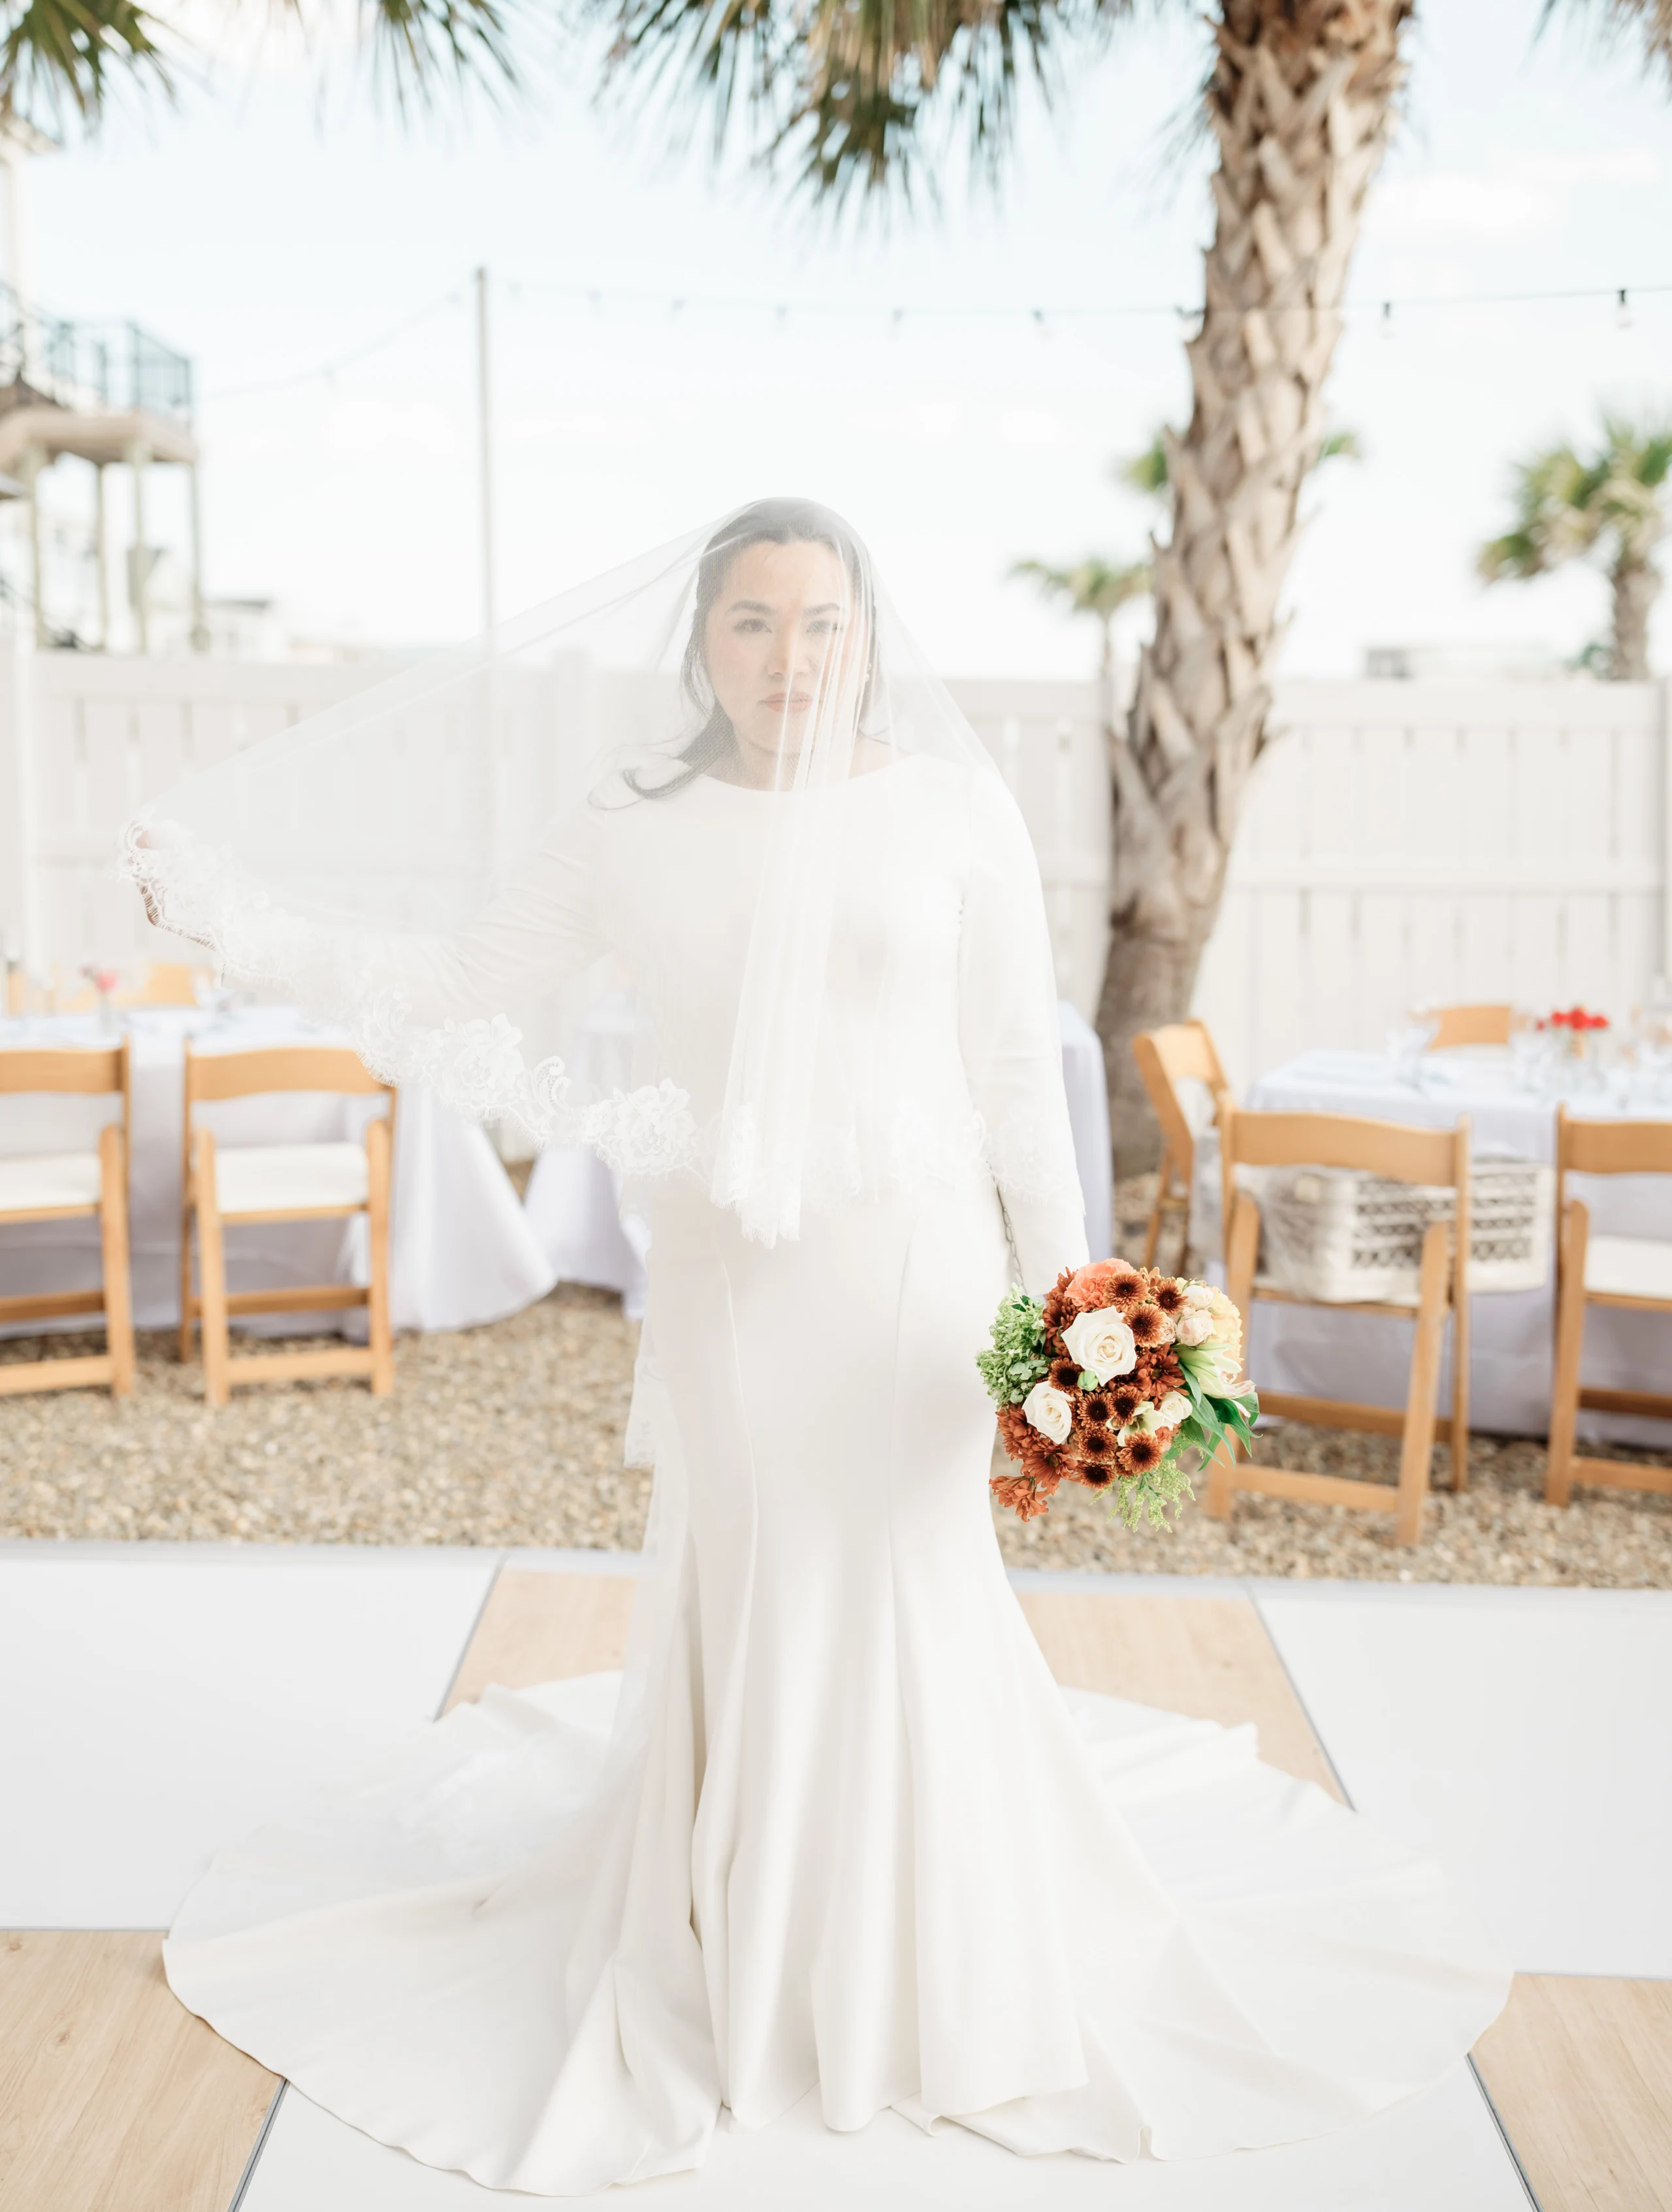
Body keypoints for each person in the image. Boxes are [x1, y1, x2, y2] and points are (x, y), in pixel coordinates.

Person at [130, 500, 1508, 2196]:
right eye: (755, 622)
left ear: (870, 633)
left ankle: (930, 1963)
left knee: (911, 1587)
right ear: (702, 641)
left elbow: (1012, 1059)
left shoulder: (950, 803)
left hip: (912, 1275)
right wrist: (247, 929)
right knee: (757, 1575)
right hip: (732, 1286)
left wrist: (1079, 1305)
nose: (792, 655)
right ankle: (747, 1943)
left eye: (821, 620)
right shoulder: (636, 821)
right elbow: (470, 978)